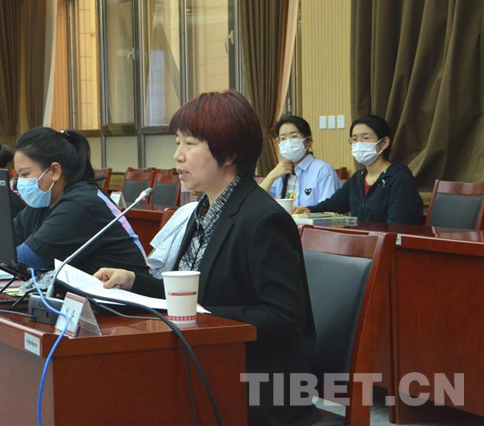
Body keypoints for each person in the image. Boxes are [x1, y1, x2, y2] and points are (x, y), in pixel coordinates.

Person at [94, 90, 320, 425]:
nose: (177, 156)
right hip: (206, 364)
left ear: (229, 153)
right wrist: (132, 282)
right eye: (178, 143)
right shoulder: (202, 210)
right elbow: (187, 293)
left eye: (190, 144)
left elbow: (284, 319)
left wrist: (202, 317)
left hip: (254, 384)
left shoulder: (264, 220)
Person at [0, 127, 147, 277]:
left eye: (25, 174)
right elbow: (2, 242)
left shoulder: (81, 204)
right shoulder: (44, 201)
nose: (19, 182)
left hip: (130, 306)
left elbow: (27, 257)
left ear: (54, 171)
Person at [293, 115, 423, 224]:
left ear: (384, 143)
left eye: (366, 138)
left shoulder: (399, 177)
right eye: (354, 139)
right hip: (362, 242)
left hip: (390, 243)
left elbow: (398, 224)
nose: (359, 144)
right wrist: (309, 210)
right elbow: (334, 204)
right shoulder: (358, 178)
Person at [259, 116, 341, 207]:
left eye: (294, 136)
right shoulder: (280, 172)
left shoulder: (322, 170)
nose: (288, 142)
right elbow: (256, 201)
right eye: (283, 138)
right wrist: (271, 176)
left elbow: (329, 209)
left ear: (308, 141)